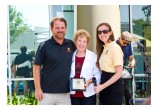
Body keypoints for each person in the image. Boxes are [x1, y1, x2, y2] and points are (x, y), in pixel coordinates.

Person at [33, 17, 76, 105]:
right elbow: (36, 68)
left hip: (65, 94)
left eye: (62, 28)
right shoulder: (44, 45)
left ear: (66, 29)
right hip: (46, 94)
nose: (60, 30)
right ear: (51, 29)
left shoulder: (71, 44)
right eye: (57, 28)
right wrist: (38, 89)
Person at [94, 23, 124, 105]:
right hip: (104, 85)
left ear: (110, 32)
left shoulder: (115, 48)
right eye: (99, 32)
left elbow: (119, 73)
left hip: (114, 88)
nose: (102, 34)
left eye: (105, 31)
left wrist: (102, 86)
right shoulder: (104, 47)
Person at [70, 29, 101, 105]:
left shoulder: (93, 56)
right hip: (73, 94)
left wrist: (89, 81)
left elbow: (98, 75)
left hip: (88, 94)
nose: (81, 44)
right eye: (79, 41)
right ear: (75, 41)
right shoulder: (70, 56)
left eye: (84, 41)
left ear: (87, 44)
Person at [116, 31, 136, 105]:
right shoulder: (113, 45)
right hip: (112, 73)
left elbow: (131, 58)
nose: (126, 44)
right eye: (125, 42)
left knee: (128, 93)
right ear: (120, 38)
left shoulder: (128, 45)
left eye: (128, 43)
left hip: (122, 72)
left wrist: (133, 61)